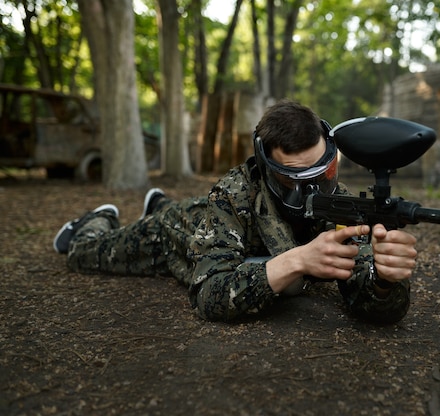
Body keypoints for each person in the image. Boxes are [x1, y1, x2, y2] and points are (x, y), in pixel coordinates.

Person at [53, 100, 417, 323]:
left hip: (217, 225)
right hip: (178, 234)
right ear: (267, 168)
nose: (313, 188)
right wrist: (297, 260)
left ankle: (157, 200)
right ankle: (100, 218)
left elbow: (373, 302)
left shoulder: (339, 203)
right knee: (86, 254)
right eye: (293, 178)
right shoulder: (233, 193)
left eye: (324, 172)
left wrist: (384, 281)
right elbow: (210, 293)